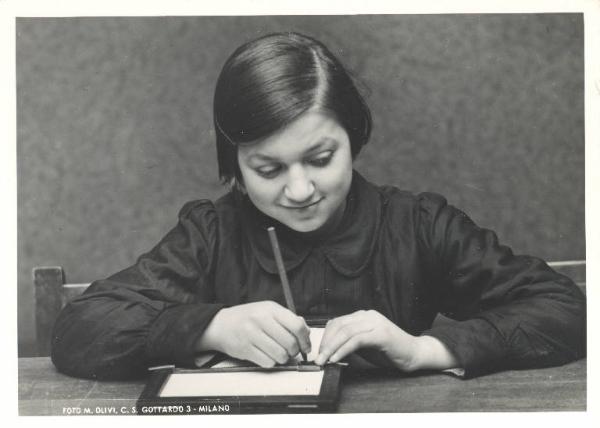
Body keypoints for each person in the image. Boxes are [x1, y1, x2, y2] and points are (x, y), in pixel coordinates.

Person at [51, 32, 586, 381]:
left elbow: (566, 310)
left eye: (321, 157)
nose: (301, 190)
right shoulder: (211, 232)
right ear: (235, 165)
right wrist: (209, 327)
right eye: (269, 170)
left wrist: (426, 350)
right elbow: (79, 329)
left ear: (353, 138)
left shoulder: (416, 225)